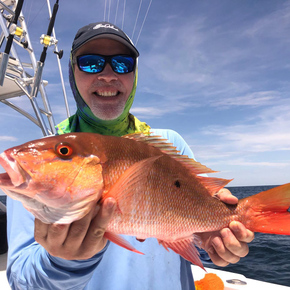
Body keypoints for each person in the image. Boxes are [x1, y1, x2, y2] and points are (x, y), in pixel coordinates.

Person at [6, 22, 254, 290]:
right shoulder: (42, 162)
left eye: (123, 64)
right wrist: (64, 263)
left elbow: (194, 244)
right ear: (72, 73)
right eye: (91, 63)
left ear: (134, 76)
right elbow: (22, 282)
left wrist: (213, 241)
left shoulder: (170, 144)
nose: (108, 75)